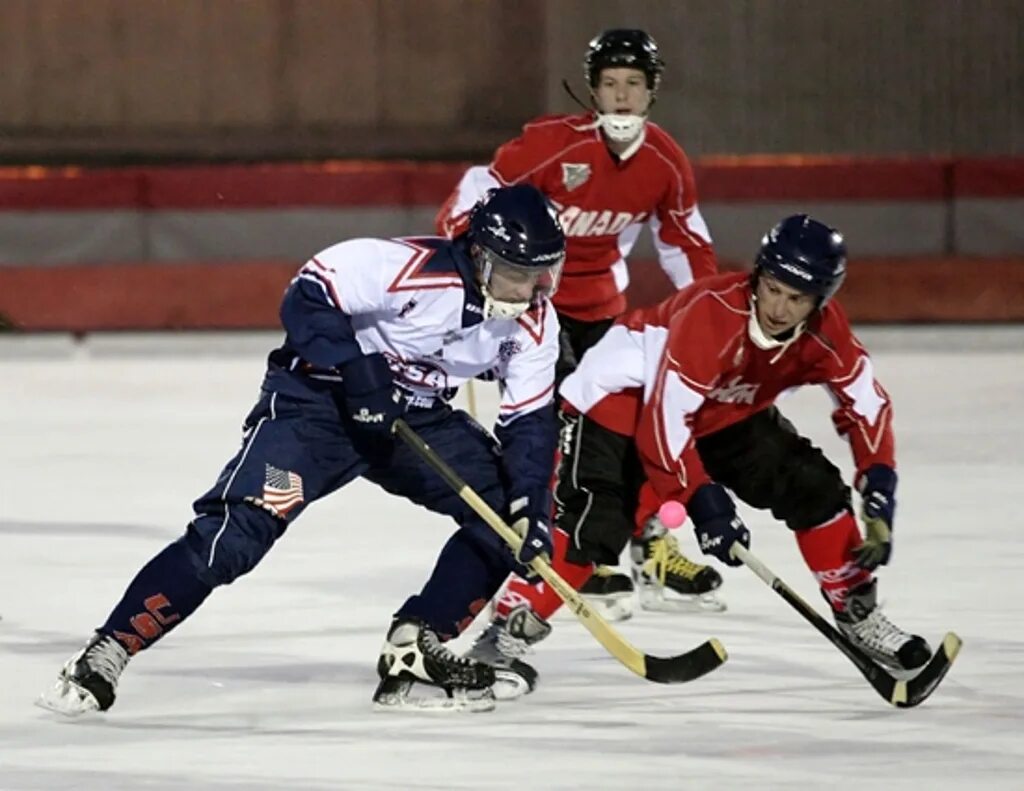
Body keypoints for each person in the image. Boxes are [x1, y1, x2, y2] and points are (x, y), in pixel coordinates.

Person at [37, 184, 566, 715]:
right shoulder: (405, 268)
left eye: (542, 274)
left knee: (506, 522)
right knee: (235, 536)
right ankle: (107, 650)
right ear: (478, 254)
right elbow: (306, 298)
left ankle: (414, 649)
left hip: (414, 419)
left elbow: (530, 424)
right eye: (518, 273)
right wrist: (361, 375)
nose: (531, 289)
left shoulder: (535, 324)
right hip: (317, 409)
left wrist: (531, 508)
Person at [467, 214, 932, 696]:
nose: (778, 308)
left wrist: (879, 483)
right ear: (757, 276)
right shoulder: (712, 316)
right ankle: (503, 633)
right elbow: (663, 428)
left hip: (723, 408)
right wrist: (706, 505)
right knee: (597, 525)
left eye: (797, 299)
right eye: (772, 289)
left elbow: (867, 405)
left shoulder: (824, 334)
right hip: (623, 401)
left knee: (810, 484)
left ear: (820, 303)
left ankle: (857, 611)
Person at [436, 28, 722, 617]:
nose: (622, 97)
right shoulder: (550, 146)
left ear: (651, 93)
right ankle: (573, 549)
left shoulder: (665, 161)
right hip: (536, 310)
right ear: (592, 92)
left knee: (640, 422)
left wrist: (706, 313)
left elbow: (684, 243)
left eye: (633, 85)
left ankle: (649, 546)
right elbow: (476, 194)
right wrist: (461, 255)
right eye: (611, 84)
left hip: (606, 312)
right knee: (564, 430)